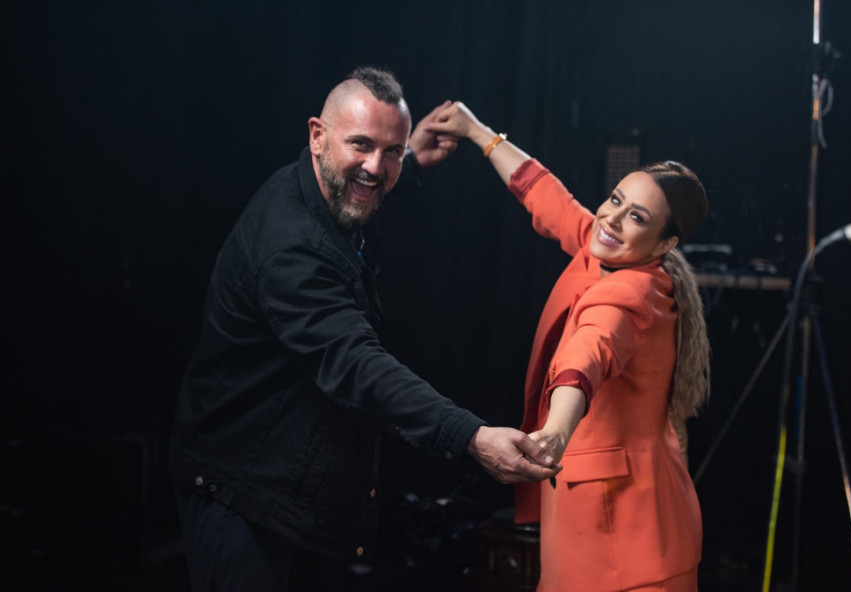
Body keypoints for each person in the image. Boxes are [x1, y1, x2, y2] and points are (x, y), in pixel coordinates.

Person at [169, 68, 560, 592]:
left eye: (391, 150)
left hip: (296, 486)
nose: (377, 166)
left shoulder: (323, 187)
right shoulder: (291, 245)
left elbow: (363, 184)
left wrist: (411, 158)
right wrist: (471, 435)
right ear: (317, 135)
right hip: (241, 491)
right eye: (361, 145)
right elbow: (356, 364)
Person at [429, 102, 711, 591]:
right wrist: (476, 131)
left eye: (636, 216)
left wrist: (556, 430)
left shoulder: (628, 294)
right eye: (615, 199)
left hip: (625, 540)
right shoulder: (610, 253)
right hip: (635, 522)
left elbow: (588, 354)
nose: (611, 218)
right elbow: (547, 198)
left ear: (664, 244)